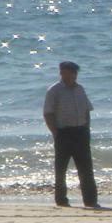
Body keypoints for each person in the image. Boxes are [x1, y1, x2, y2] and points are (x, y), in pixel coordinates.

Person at [43, 61, 99, 208]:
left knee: (86, 169)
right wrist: (55, 132)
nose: (71, 76)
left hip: (81, 132)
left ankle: (91, 201)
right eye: (67, 72)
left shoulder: (80, 89)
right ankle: (61, 200)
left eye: (73, 73)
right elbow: (48, 113)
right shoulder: (54, 91)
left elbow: (87, 110)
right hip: (63, 132)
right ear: (61, 73)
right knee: (61, 170)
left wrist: (86, 129)